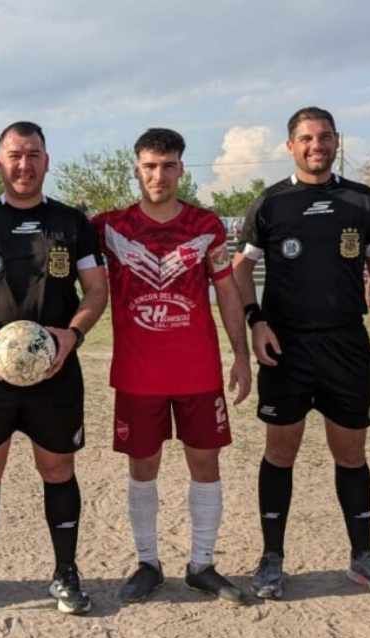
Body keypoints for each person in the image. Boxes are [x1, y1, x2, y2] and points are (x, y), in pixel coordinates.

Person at [232, 106, 370, 601]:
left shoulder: (362, 200)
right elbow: (238, 270)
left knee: (351, 454)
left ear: (337, 142)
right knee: (280, 451)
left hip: (346, 345)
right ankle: (271, 558)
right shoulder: (270, 204)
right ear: (290, 145)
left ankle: (363, 555)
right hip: (286, 348)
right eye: (307, 138)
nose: (318, 146)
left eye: (326, 137)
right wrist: (256, 321)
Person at [0, 121, 108, 614]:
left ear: (46, 161)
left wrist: (71, 335)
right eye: (15, 155)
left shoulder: (72, 223)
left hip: (54, 373)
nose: (24, 165)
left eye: (33, 155)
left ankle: (65, 573)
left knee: (57, 468)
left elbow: (96, 290)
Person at [91, 128, 251, 604]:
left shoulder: (207, 227)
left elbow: (226, 290)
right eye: (149, 166)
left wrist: (240, 353)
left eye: (167, 166)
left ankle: (202, 564)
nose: (158, 175)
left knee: (205, 463)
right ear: (137, 169)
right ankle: (148, 563)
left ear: (182, 169)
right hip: (139, 374)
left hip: (198, 372)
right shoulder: (108, 228)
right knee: (143, 467)